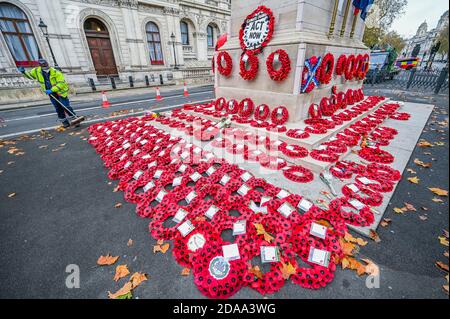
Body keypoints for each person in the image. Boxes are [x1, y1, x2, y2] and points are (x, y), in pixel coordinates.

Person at [18, 59, 79, 128]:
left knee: (65, 106)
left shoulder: (56, 72)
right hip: (51, 94)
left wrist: (52, 90)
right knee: (58, 107)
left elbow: (61, 83)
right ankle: (64, 122)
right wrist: (24, 72)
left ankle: (75, 120)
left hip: (60, 92)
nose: (45, 67)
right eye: (43, 66)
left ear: (47, 64)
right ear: (40, 66)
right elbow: (31, 76)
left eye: (46, 65)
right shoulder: (36, 71)